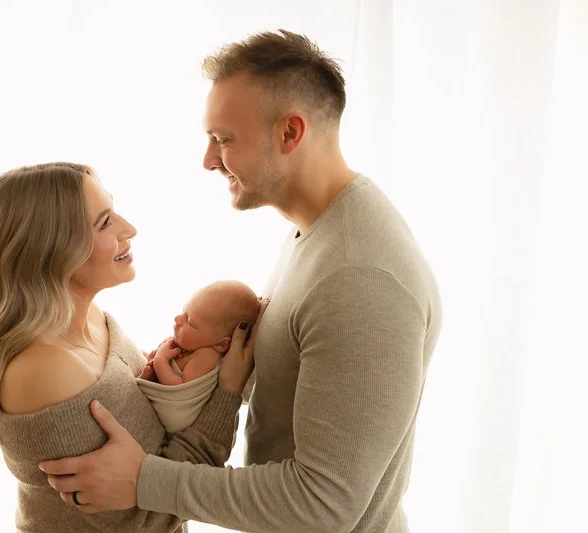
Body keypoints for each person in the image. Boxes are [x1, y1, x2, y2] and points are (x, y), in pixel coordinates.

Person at [39, 29, 442, 533]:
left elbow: (322, 506)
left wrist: (144, 479)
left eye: (224, 139)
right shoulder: (318, 232)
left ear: (290, 133)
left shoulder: (359, 277)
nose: (209, 159)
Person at [0, 162, 267, 532]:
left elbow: (152, 437)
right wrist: (227, 393)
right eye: (105, 222)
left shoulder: (93, 321)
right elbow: (147, 520)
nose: (129, 228)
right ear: (52, 249)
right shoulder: (46, 370)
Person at [137, 281, 261, 432]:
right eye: (184, 311)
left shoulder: (207, 355)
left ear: (222, 344)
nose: (177, 319)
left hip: (179, 418)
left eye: (190, 322)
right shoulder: (192, 344)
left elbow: (180, 387)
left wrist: (160, 361)